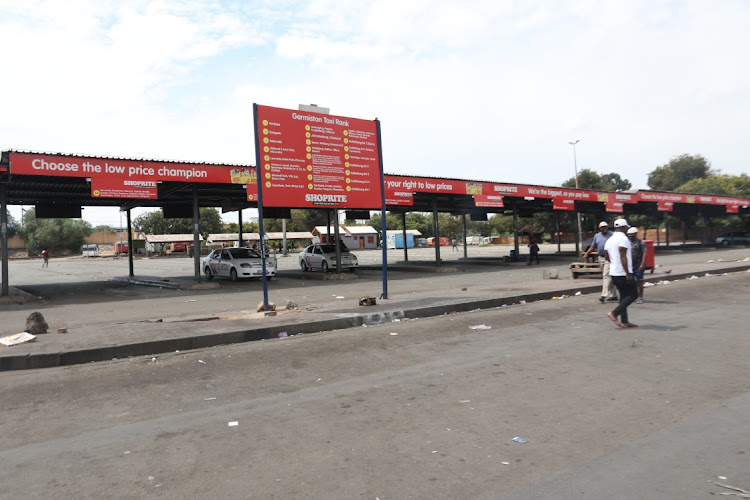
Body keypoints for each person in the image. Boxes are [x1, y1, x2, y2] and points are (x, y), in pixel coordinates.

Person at [604, 218, 639, 328]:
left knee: (623, 296)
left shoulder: (609, 240)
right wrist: (628, 273)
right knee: (634, 294)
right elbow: (623, 255)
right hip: (623, 273)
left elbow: (606, 255)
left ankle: (624, 321)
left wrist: (614, 263)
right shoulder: (623, 239)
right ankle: (614, 313)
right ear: (623, 227)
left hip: (614, 272)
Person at [583, 221, 617, 303]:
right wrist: (587, 253)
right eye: (603, 227)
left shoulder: (612, 235)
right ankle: (614, 295)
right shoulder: (597, 236)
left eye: (605, 227)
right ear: (600, 228)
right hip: (600, 257)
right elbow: (593, 246)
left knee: (606, 275)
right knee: (608, 276)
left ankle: (603, 295)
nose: (604, 228)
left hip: (609, 258)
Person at [627, 227, 647, 304]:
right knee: (630, 281)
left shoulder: (641, 243)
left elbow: (644, 253)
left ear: (635, 234)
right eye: (629, 234)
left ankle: (641, 297)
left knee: (639, 281)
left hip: (638, 264)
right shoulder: (627, 242)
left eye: (631, 234)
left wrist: (642, 264)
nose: (630, 236)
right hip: (629, 265)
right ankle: (632, 296)